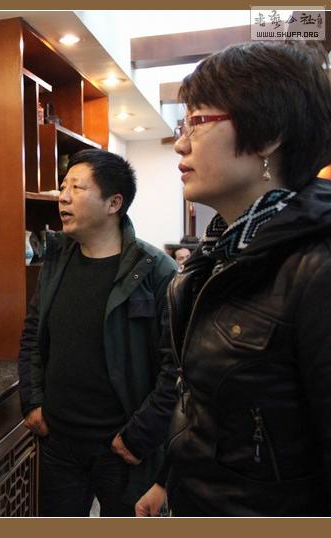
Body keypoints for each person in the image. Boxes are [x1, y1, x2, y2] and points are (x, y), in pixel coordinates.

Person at [135, 40, 331, 516]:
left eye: (197, 122)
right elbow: (205, 406)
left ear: (269, 135)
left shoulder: (316, 268)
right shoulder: (219, 255)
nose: (180, 143)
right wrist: (168, 480)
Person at [18, 148, 178, 516]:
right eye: (63, 187)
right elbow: (33, 333)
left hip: (122, 448)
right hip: (58, 442)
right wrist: (32, 400)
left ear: (114, 203)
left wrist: (140, 436)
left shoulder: (156, 271)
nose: (63, 197)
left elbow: (176, 367)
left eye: (77, 187)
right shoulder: (56, 260)